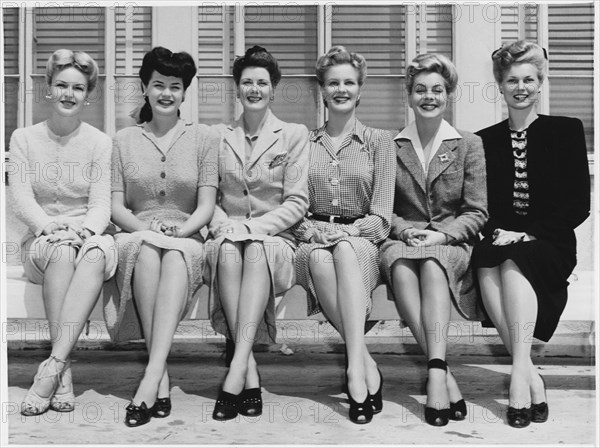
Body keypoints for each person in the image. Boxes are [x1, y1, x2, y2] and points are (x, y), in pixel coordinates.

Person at [472, 40, 590, 428]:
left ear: (541, 83)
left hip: (550, 241)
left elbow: (577, 205)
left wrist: (525, 235)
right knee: (487, 259)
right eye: (511, 80)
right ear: (500, 87)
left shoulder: (566, 130)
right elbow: (480, 204)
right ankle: (530, 377)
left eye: (528, 79)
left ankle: (518, 381)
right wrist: (500, 232)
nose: (520, 87)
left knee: (511, 262)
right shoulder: (483, 140)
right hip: (500, 237)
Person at [107, 47, 218, 427]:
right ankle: (161, 375)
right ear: (145, 87)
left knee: (173, 254)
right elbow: (116, 207)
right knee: (147, 251)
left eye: (175, 86)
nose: (166, 93)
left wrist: (182, 230)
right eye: (158, 85)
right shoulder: (123, 140)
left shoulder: (203, 137)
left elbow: (206, 205)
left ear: (185, 92)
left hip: (187, 232)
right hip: (136, 231)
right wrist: (146, 228)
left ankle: (151, 377)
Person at [379, 53, 488, 426]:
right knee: (403, 266)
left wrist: (441, 234)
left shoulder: (468, 144)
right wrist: (406, 231)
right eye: (421, 90)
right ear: (409, 95)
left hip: (451, 243)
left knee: (432, 263)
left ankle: (436, 372)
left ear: (448, 95)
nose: (430, 97)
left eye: (438, 90)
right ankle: (440, 372)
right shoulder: (389, 145)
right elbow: (382, 208)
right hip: (403, 239)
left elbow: (476, 211)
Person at [7, 49, 116, 416]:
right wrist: (48, 226)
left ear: (88, 94)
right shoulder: (23, 138)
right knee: (59, 251)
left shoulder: (100, 142)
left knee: (82, 252)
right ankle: (63, 368)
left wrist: (82, 232)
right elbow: (20, 196)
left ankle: (54, 368)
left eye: (79, 88)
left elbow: (101, 204)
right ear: (49, 90)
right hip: (41, 241)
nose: (70, 94)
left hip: (88, 238)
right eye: (62, 85)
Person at [206, 45, 309, 421]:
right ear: (237, 88)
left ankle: (236, 366)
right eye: (247, 81)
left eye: (262, 83)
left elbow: (297, 202)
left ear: (273, 88)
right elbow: (208, 196)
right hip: (227, 236)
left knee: (253, 250)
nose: (254, 89)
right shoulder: (217, 136)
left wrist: (250, 227)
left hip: (277, 240)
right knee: (233, 250)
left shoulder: (293, 135)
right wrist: (224, 225)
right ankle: (246, 371)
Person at [293, 46, 395, 424]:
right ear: (321, 89)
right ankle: (362, 361)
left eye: (348, 82)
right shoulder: (303, 142)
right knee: (321, 257)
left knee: (347, 250)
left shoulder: (380, 141)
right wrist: (315, 232)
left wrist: (347, 233)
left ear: (360, 88)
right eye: (333, 82)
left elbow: (382, 215)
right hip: (314, 241)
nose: (341, 89)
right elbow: (294, 211)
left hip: (362, 242)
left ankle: (354, 369)